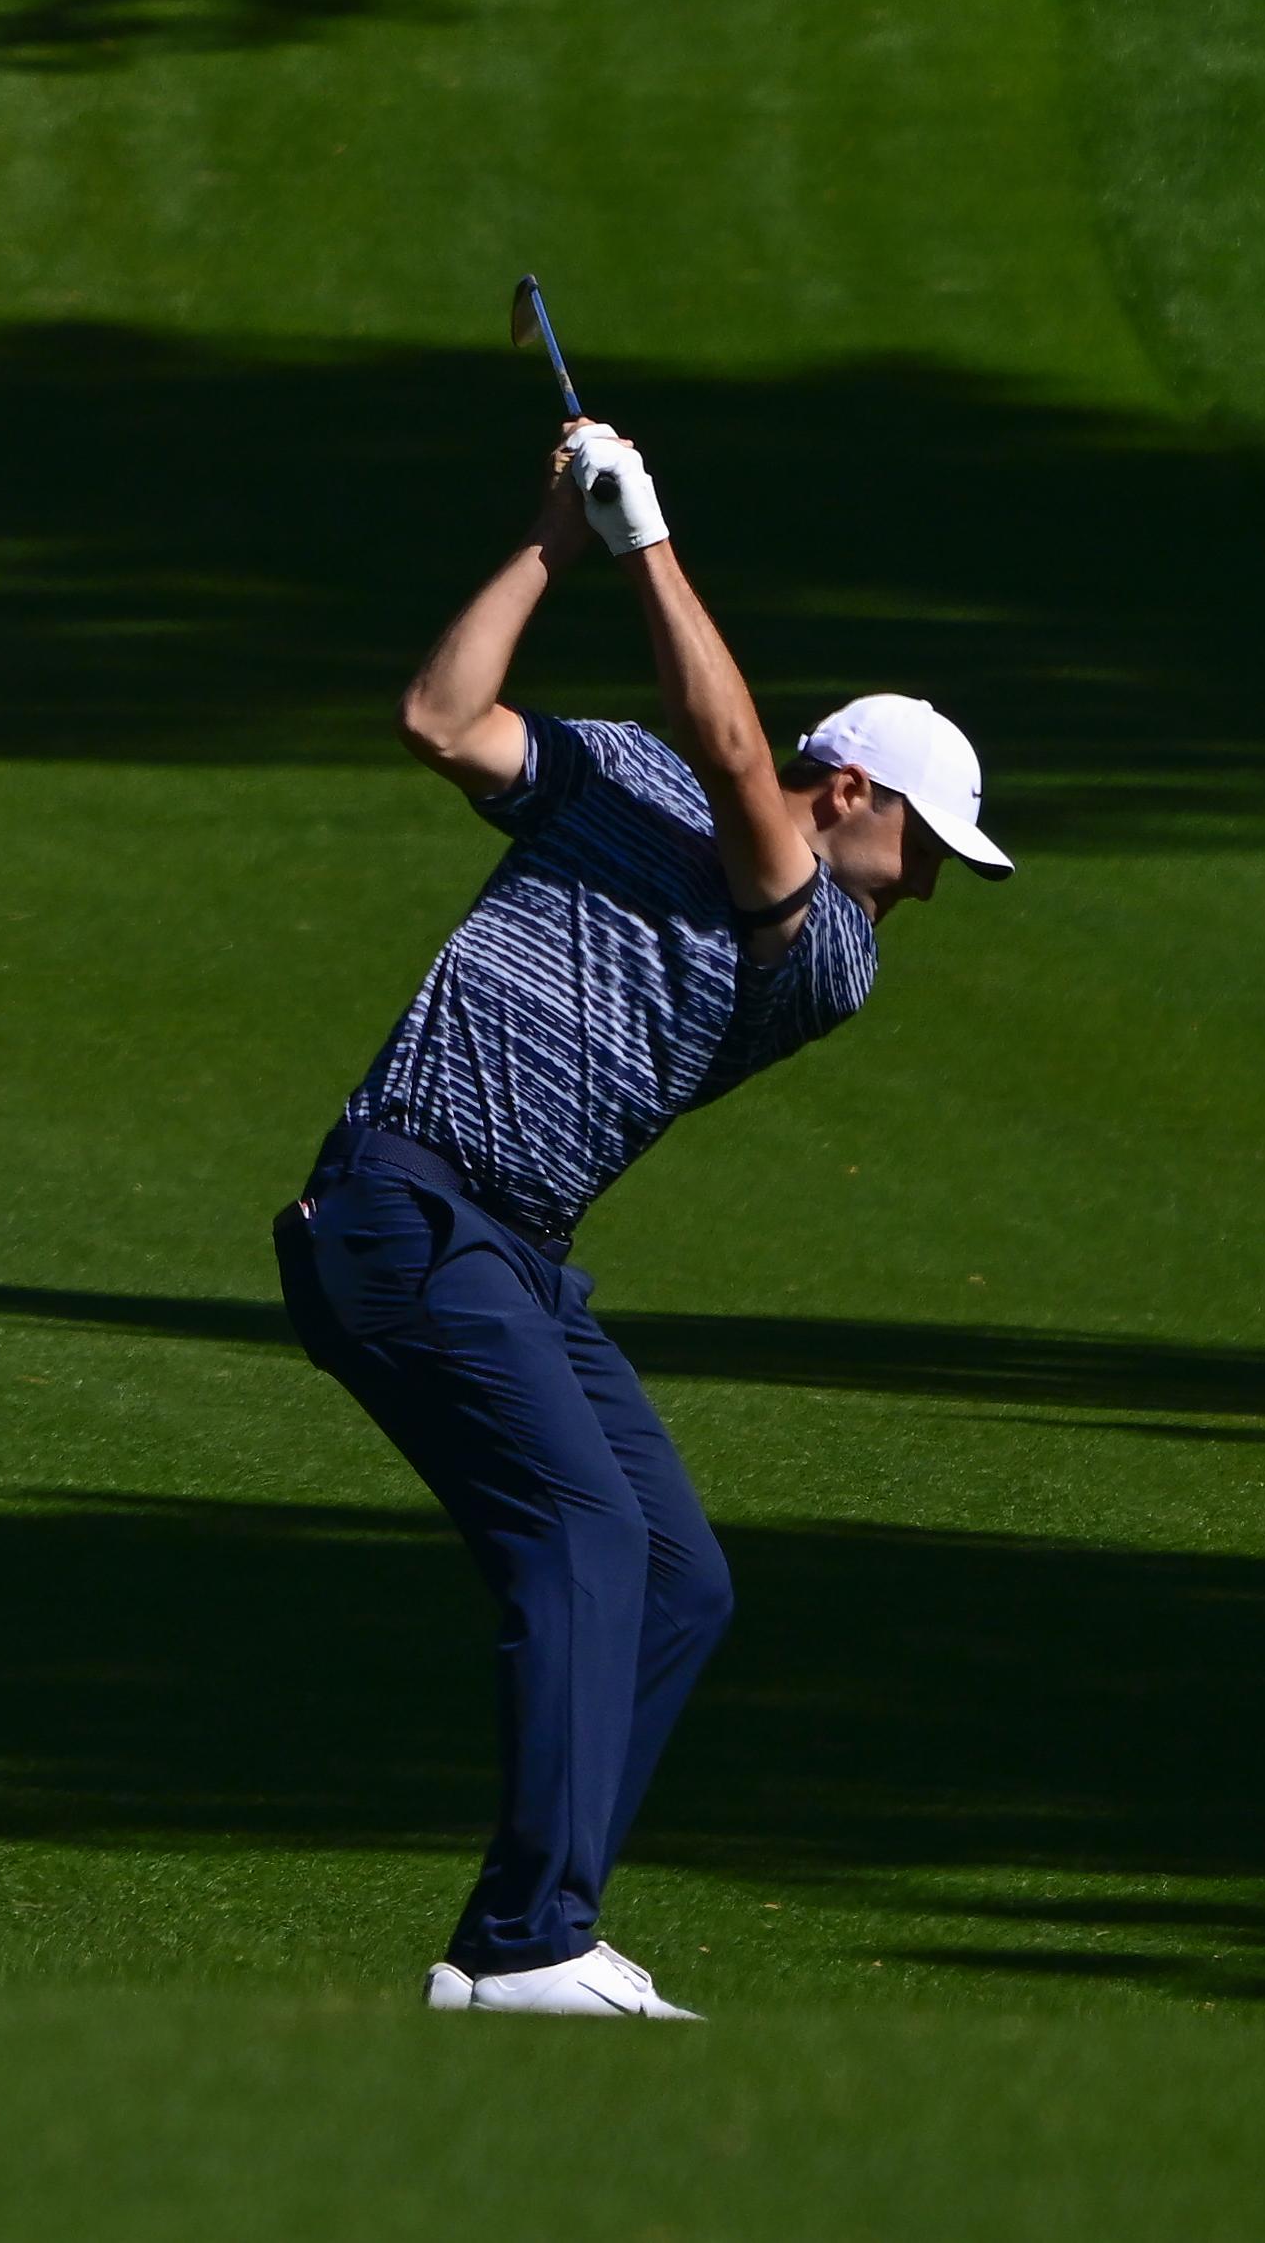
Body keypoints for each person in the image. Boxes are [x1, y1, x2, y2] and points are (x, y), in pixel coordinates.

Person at [291, 414, 1003, 2020]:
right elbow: (436, 715)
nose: (921, 891)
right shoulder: (616, 772)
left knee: (677, 1577)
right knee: (585, 1534)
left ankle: (514, 1939)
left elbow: (734, 761)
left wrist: (644, 536)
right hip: (398, 1203)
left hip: (508, 1250)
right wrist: (555, 530)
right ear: (852, 789)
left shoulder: (825, 950)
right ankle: (533, 1940)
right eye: (920, 848)